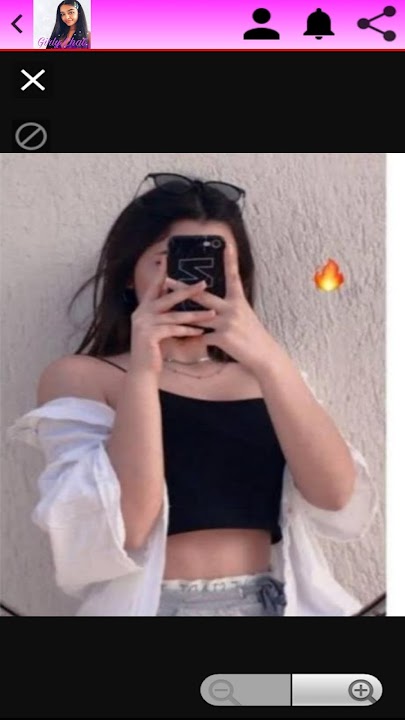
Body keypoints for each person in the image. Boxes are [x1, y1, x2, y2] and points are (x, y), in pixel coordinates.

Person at [7, 172, 377, 616]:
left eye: (216, 264)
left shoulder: (269, 377)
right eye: (168, 261)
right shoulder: (85, 377)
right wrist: (144, 370)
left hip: (273, 603)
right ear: (130, 276)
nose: (194, 283)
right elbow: (128, 527)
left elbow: (336, 497)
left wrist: (269, 359)